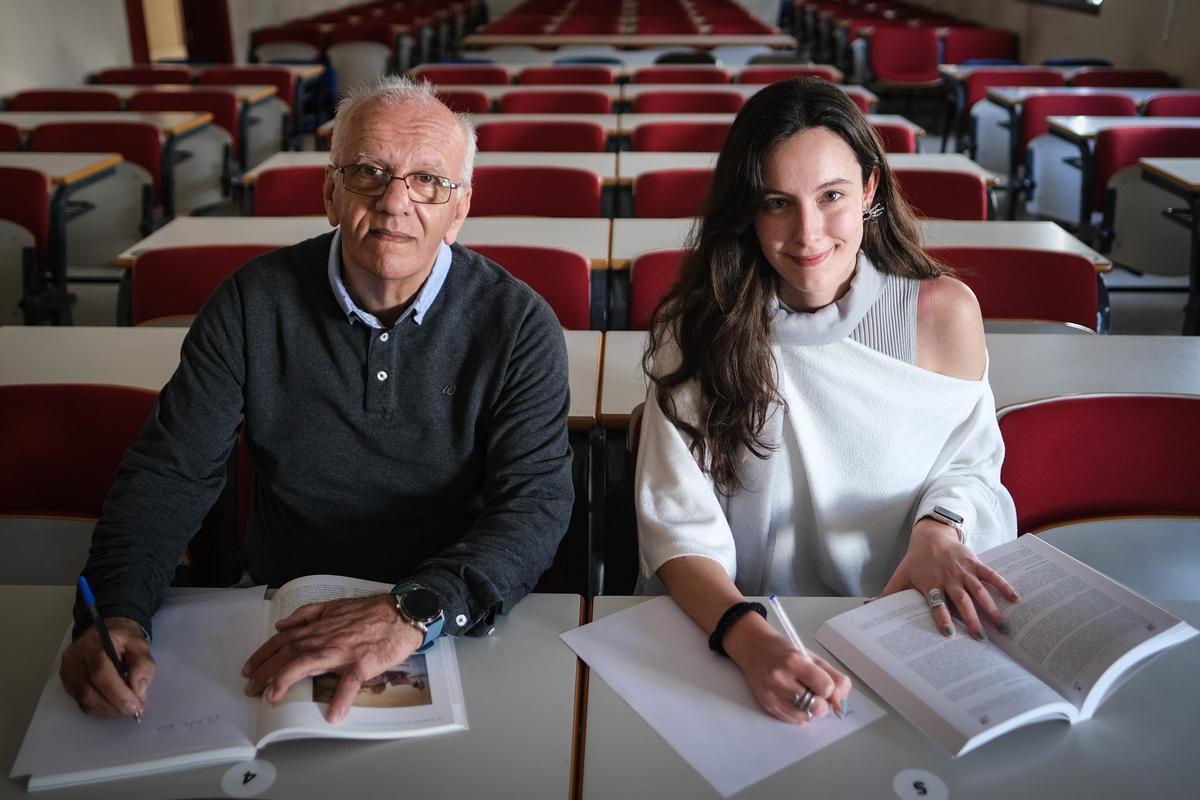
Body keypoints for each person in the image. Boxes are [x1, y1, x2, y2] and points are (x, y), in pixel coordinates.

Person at [60, 76, 574, 724]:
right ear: (330, 193)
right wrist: (115, 608)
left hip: (446, 622)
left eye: (428, 182)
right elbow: (172, 471)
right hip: (281, 607)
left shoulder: (520, 325)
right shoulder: (251, 304)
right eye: (368, 173)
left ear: (459, 209)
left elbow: (535, 506)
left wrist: (416, 608)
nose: (394, 203)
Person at [634, 78, 1019, 724]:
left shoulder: (943, 314)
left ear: (870, 188)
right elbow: (678, 527)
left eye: (832, 196)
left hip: (909, 627)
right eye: (777, 203)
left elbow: (971, 466)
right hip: (742, 630)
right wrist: (753, 642)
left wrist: (940, 529)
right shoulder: (697, 329)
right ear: (747, 210)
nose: (807, 233)